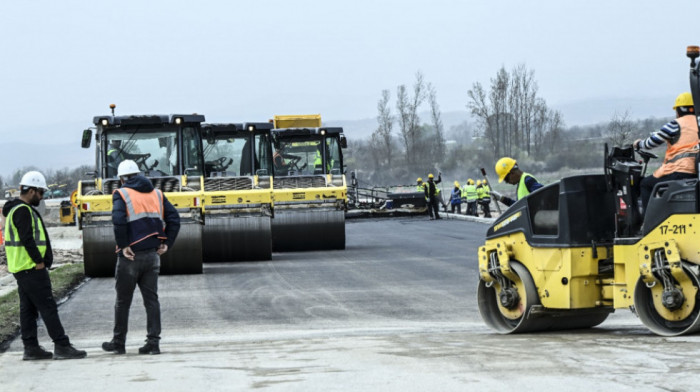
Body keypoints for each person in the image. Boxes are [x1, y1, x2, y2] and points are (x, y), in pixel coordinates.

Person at [2, 171, 86, 360]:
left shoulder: (16, 209)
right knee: (48, 307)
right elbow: (27, 239)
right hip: (31, 267)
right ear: (31, 191)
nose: (42, 197)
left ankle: (31, 348)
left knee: (28, 309)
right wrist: (39, 261)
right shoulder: (22, 210)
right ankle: (62, 345)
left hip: (22, 268)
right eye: (40, 193)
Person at [102, 160, 181, 355]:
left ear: (122, 178)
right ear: (139, 174)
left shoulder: (122, 193)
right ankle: (153, 343)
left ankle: (119, 343)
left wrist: (123, 246)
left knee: (123, 301)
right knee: (151, 300)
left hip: (130, 256)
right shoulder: (157, 194)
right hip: (153, 256)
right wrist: (167, 243)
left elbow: (118, 221)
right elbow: (175, 219)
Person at [634, 92, 699, 211]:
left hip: (679, 171)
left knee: (645, 184)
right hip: (696, 171)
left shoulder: (676, 124)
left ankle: (648, 222)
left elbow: (651, 143)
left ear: (679, 110)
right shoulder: (698, 122)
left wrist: (638, 144)